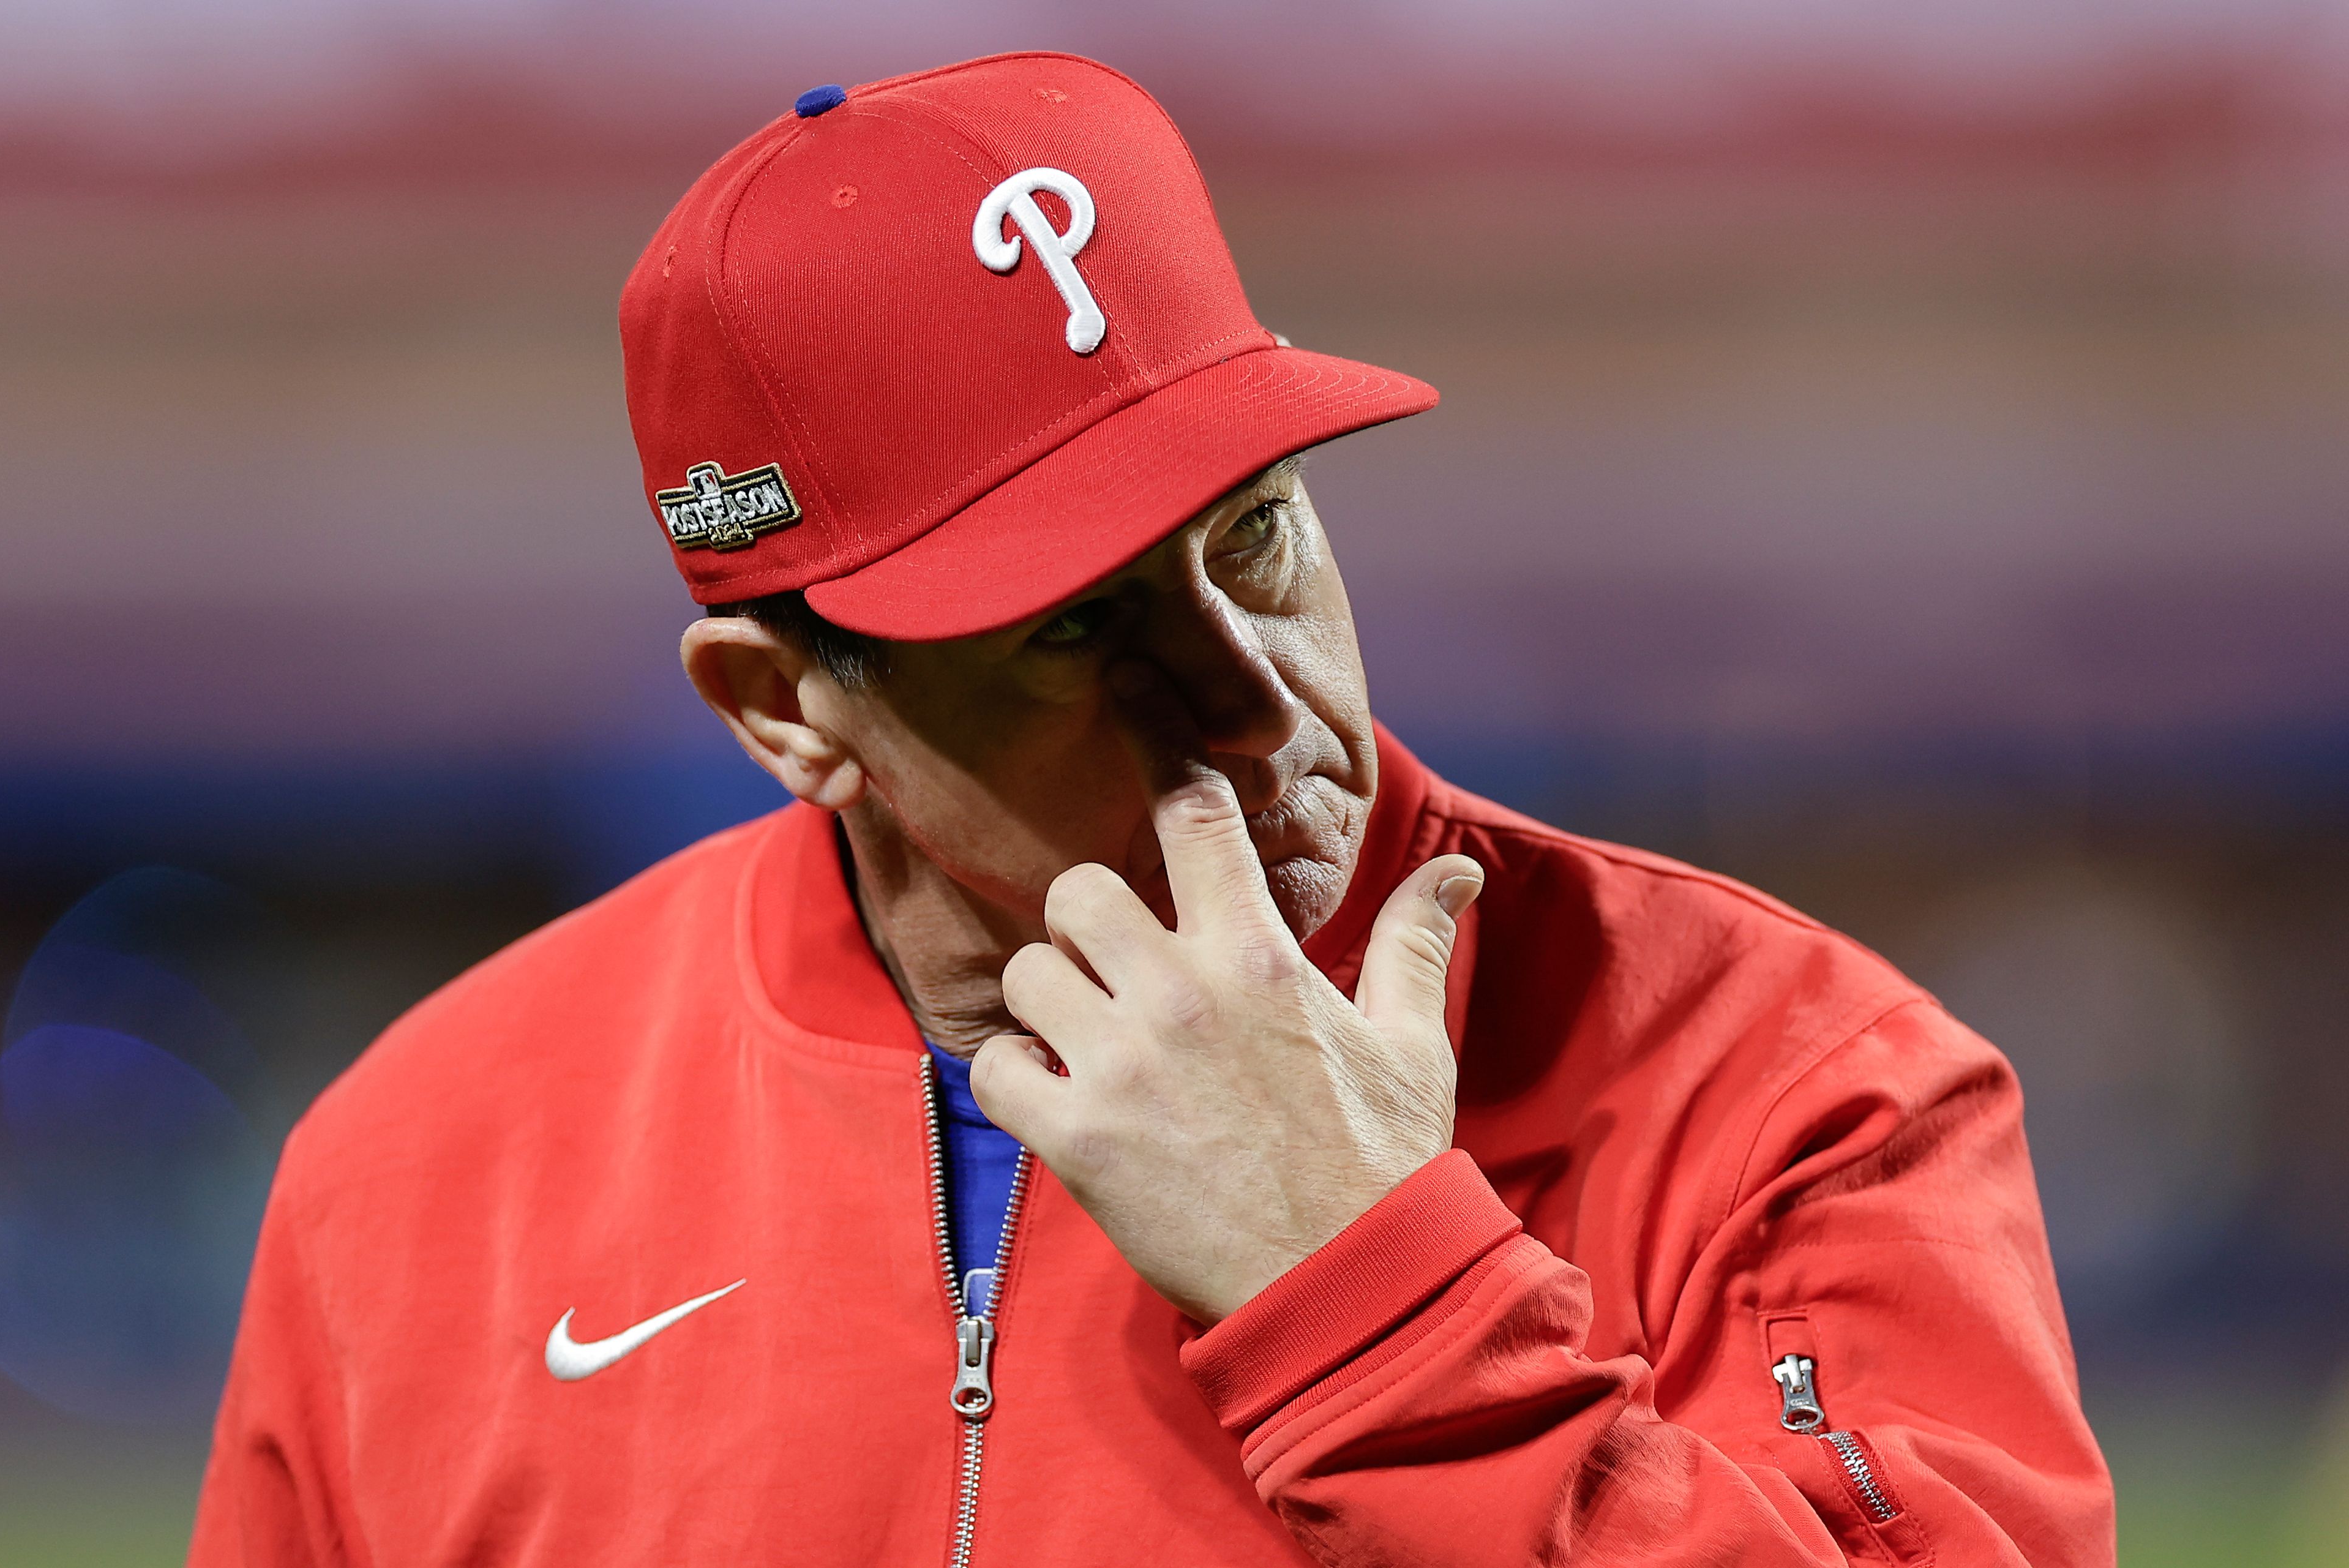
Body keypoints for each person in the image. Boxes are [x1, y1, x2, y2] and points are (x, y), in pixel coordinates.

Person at [190, 50, 2115, 1567]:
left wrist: (1382, 1307)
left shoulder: (1787, 1085)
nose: (1254, 691)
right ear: (786, 708)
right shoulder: (419, 1181)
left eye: (1257, 536)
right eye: (1080, 628)